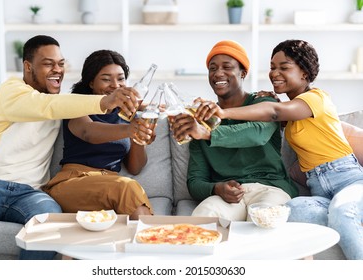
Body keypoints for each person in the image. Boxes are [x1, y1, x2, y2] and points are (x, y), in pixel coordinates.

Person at [0, 35, 140, 260]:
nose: (57, 69)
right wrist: (106, 101)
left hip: (30, 192)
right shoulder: (11, 90)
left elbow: (64, 107)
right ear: (28, 66)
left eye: (61, 64)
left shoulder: (60, 103)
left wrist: (143, 108)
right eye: (48, 63)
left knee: (50, 220)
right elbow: (44, 106)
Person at [197, 39, 363, 260]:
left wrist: (224, 113)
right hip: (320, 191)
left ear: (304, 73)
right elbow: (271, 114)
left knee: (342, 212)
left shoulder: (316, 99)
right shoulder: (291, 115)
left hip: (349, 181)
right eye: (272, 67)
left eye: (284, 67)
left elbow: (273, 112)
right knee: (284, 213)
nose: (275, 73)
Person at [170, 40, 298, 222]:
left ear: (243, 72)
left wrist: (207, 134)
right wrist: (217, 188)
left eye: (227, 67)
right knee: (203, 217)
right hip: (228, 198)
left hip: (270, 188)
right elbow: (195, 181)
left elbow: (257, 134)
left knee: (264, 219)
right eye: (212, 68)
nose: (218, 73)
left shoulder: (263, 103)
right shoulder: (200, 119)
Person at [42, 50, 154, 219]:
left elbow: (135, 167)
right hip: (72, 183)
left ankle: (145, 241)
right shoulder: (76, 105)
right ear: (91, 83)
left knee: (125, 188)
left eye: (121, 78)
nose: (115, 85)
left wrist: (139, 133)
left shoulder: (126, 115)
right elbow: (89, 132)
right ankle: (153, 241)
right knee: (127, 187)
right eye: (106, 79)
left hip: (108, 186)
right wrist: (131, 129)